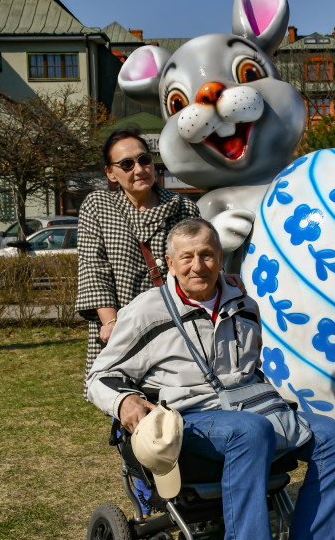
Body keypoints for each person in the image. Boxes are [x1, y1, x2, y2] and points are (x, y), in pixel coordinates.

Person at [87, 218, 335, 540]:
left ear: (221, 258)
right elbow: (98, 376)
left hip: (249, 410)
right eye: (187, 257)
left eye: (207, 255)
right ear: (170, 262)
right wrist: (126, 399)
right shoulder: (146, 311)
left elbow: (250, 371)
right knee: (251, 432)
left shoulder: (243, 303)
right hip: (190, 419)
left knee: (334, 437)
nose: (197, 265)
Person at [76, 127, 241, 516]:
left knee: (181, 398)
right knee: (130, 405)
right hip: (120, 324)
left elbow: (201, 254)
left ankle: (199, 484)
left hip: (176, 325)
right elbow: (94, 266)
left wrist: (223, 278)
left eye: (145, 160)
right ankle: (149, 490)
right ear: (110, 172)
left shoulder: (182, 208)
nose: (139, 169)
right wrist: (109, 318)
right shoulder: (97, 207)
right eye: (127, 163)